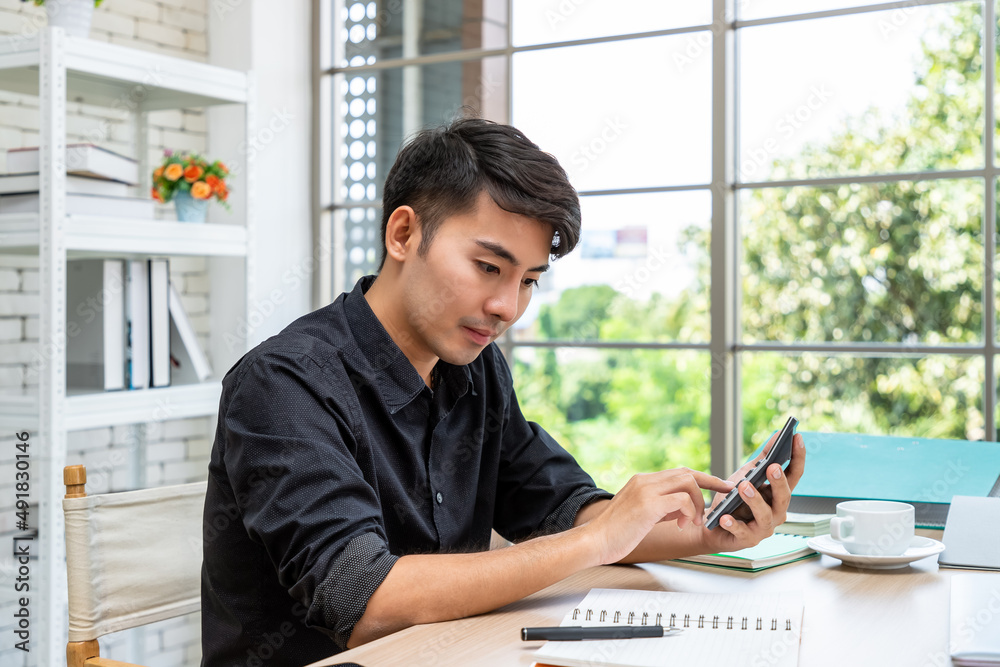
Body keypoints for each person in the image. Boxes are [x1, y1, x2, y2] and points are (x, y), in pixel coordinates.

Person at [201, 117, 806, 666]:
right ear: (404, 234)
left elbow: (561, 509)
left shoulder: (475, 371)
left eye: (529, 281)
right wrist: (596, 538)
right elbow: (365, 600)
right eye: (489, 268)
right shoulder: (283, 383)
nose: (506, 307)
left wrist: (702, 535)